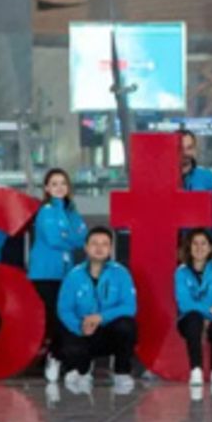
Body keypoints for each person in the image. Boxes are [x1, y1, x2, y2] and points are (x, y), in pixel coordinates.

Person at [58, 226, 139, 392]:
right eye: (94, 243)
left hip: (108, 332)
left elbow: (129, 307)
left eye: (105, 244)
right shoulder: (74, 275)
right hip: (83, 332)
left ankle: (121, 373)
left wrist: (101, 317)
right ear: (86, 247)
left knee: (127, 325)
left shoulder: (121, 274)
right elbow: (64, 309)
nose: (99, 248)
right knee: (67, 340)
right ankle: (81, 369)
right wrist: (80, 326)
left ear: (110, 249)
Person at [29, 168, 89, 384]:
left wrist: (69, 236)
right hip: (46, 274)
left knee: (67, 317)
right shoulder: (45, 211)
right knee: (55, 319)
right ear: (46, 188)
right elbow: (55, 240)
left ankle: (61, 358)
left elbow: (83, 238)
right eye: (54, 184)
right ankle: (53, 357)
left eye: (63, 183)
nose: (59, 187)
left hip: (66, 274)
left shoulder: (71, 211)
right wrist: (70, 237)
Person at [175, 227, 212, 387]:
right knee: (194, 318)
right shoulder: (181, 273)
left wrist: (211, 318)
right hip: (190, 320)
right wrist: (208, 311)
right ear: (189, 247)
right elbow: (184, 303)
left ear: (210, 248)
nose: (199, 248)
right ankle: (196, 370)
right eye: (195, 244)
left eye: (204, 244)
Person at [179, 128, 212, 193]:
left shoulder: (207, 178)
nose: (185, 153)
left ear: (194, 150)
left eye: (189, 148)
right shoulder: (162, 180)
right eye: (180, 148)